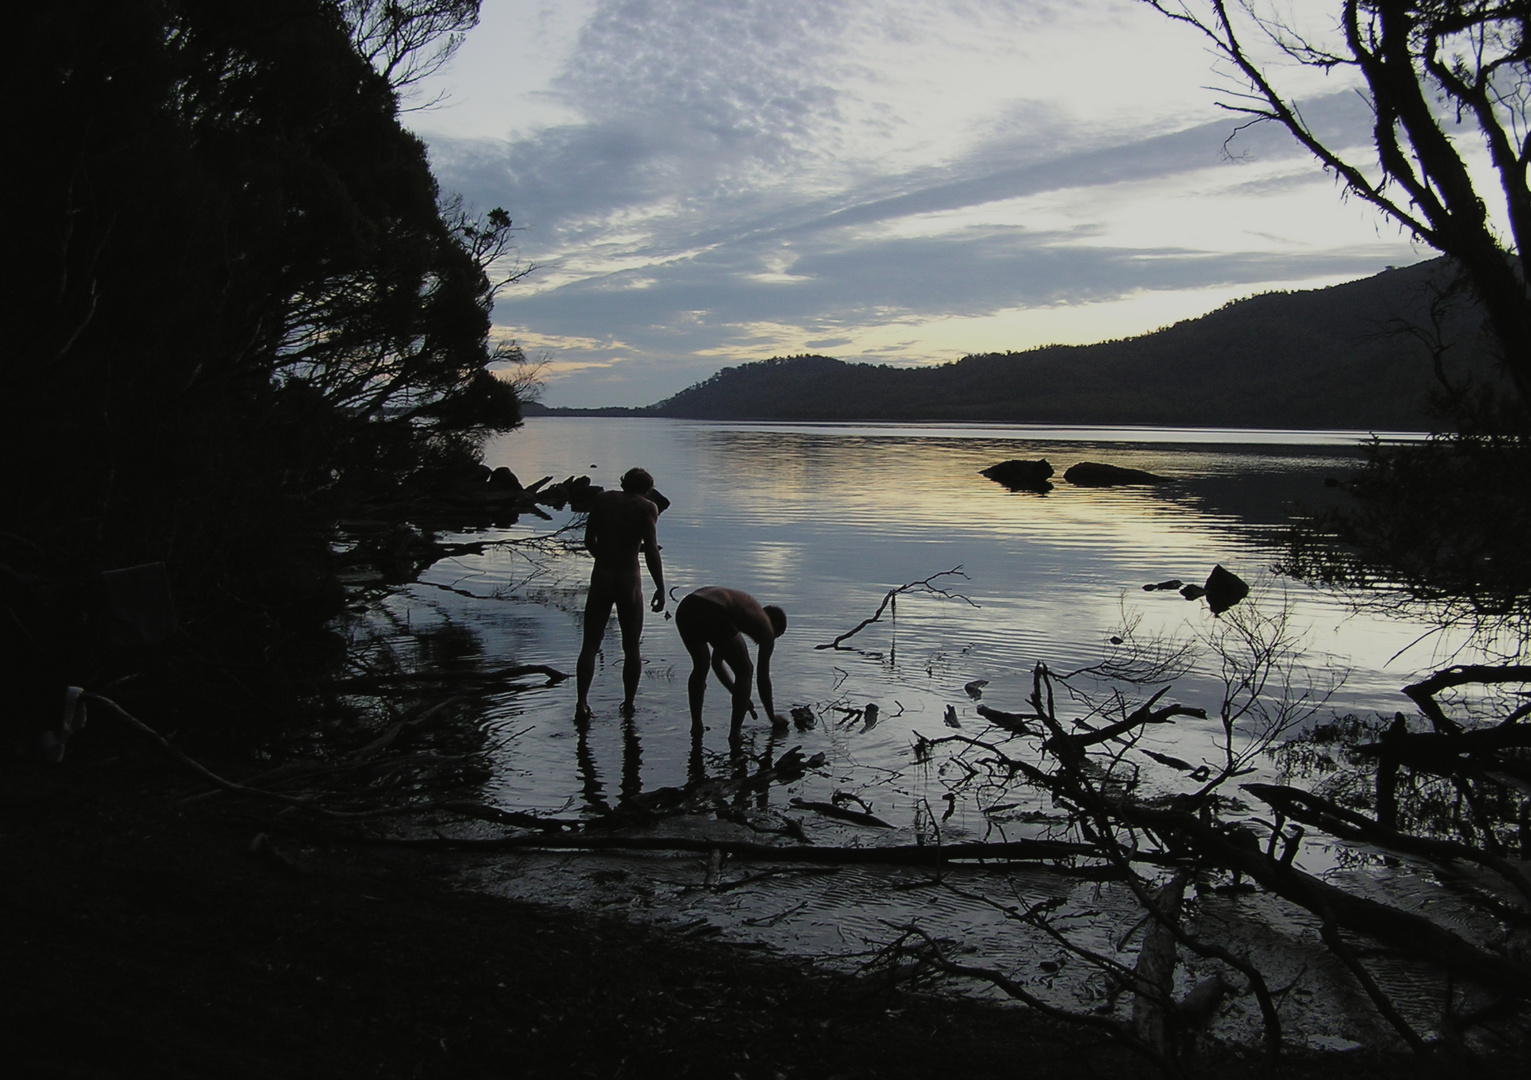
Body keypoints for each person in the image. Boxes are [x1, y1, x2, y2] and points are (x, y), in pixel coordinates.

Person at [574, 467, 666, 719]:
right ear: (647, 488)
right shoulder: (647, 508)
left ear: (623, 482)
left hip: (602, 575)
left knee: (590, 646)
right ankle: (628, 704)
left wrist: (603, 558)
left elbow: (588, 540)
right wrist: (660, 586)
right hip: (628, 580)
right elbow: (650, 550)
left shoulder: (602, 500)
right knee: (631, 647)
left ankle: (581, 704)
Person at [675, 586, 786, 730]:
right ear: (776, 626)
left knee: (701, 665)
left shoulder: (741, 615)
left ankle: (697, 725)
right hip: (711, 607)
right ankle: (735, 735)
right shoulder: (766, 628)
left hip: (687, 606)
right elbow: (763, 679)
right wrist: (772, 717)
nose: (772, 639)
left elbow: (716, 662)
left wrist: (736, 691)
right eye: (777, 635)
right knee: (745, 669)